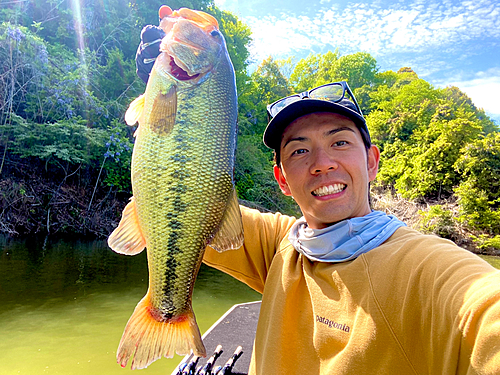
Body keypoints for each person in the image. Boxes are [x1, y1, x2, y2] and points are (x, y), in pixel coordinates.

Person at [135, 24, 500, 374]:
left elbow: (485, 310)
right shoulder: (278, 247)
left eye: (339, 142)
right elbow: (174, 201)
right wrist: (167, 109)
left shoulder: (428, 268)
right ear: (282, 180)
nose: (322, 165)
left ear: (372, 162)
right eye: (298, 151)